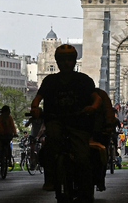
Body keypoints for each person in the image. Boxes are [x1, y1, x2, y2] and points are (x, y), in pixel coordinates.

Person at [30, 44, 101, 202]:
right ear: (57, 61)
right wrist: (35, 108)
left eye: (69, 59)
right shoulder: (50, 81)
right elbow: (37, 98)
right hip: (55, 120)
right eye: (63, 60)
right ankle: (50, 178)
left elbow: (96, 97)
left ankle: (85, 188)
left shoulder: (83, 80)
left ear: (74, 61)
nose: (66, 63)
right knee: (49, 147)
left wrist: (93, 106)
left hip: (78, 123)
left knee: (82, 157)